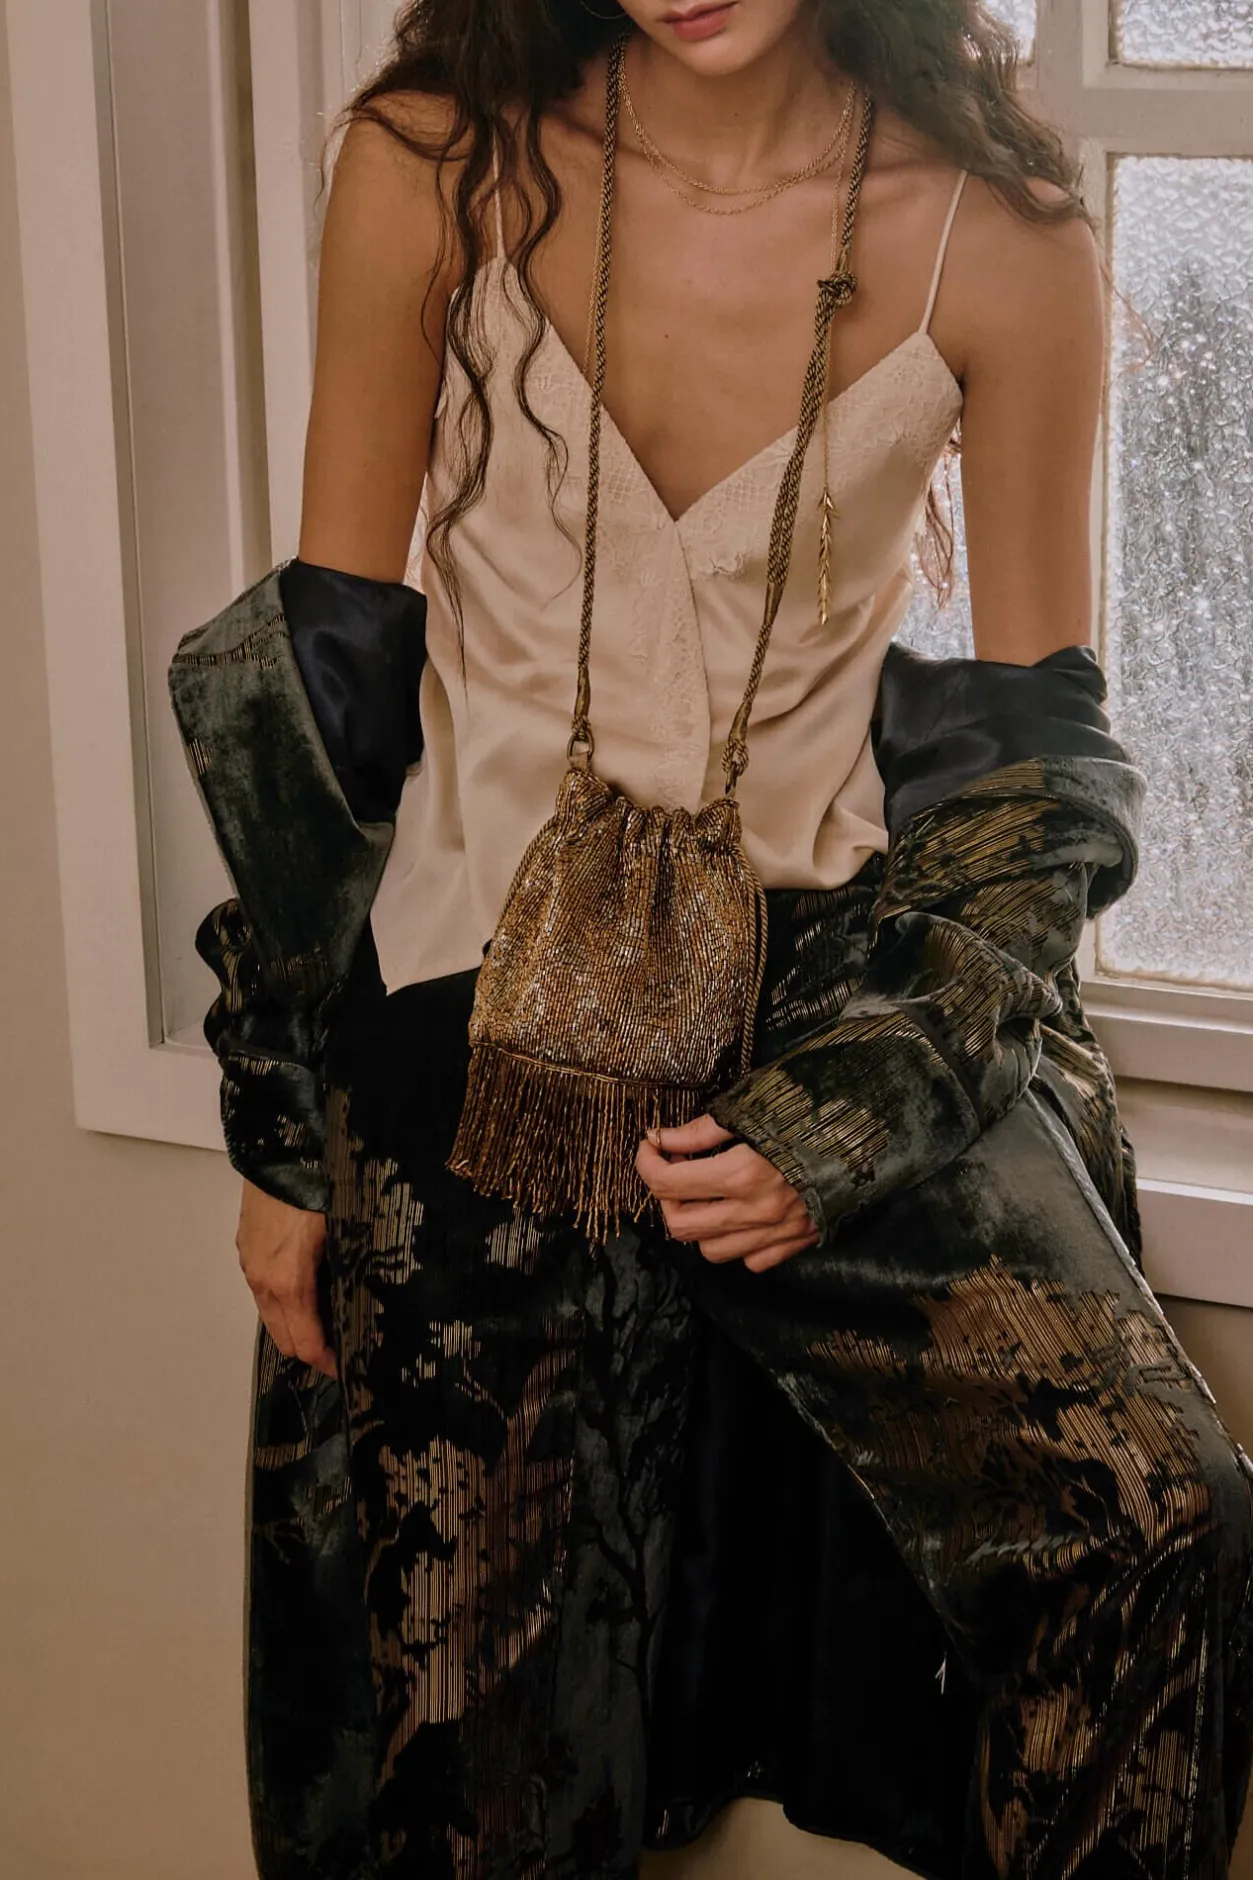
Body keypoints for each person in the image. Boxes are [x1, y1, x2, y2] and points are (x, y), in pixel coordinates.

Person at [168, 2, 1253, 1876]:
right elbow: (331, 671)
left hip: (827, 973)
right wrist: (281, 1130)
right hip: (479, 974)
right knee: (476, 1722)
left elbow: (1029, 770)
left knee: (1159, 1525)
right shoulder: (435, 163)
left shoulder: (1000, 242)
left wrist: (848, 1116)